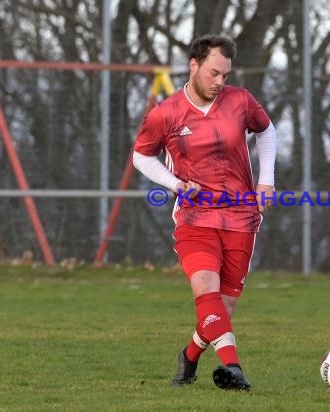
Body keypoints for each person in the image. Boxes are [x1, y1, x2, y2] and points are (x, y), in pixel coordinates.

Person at [132, 34, 277, 390]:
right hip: (195, 217)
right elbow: (141, 155)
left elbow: (267, 131)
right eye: (213, 73)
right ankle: (234, 368)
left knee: (220, 312)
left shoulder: (240, 101)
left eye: (225, 75)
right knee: (205, 291)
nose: (219, 82)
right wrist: (175, 184)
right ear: (193, 65)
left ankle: (190, 356)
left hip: (242, 216)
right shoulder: (166, 112)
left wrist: (266, 180)